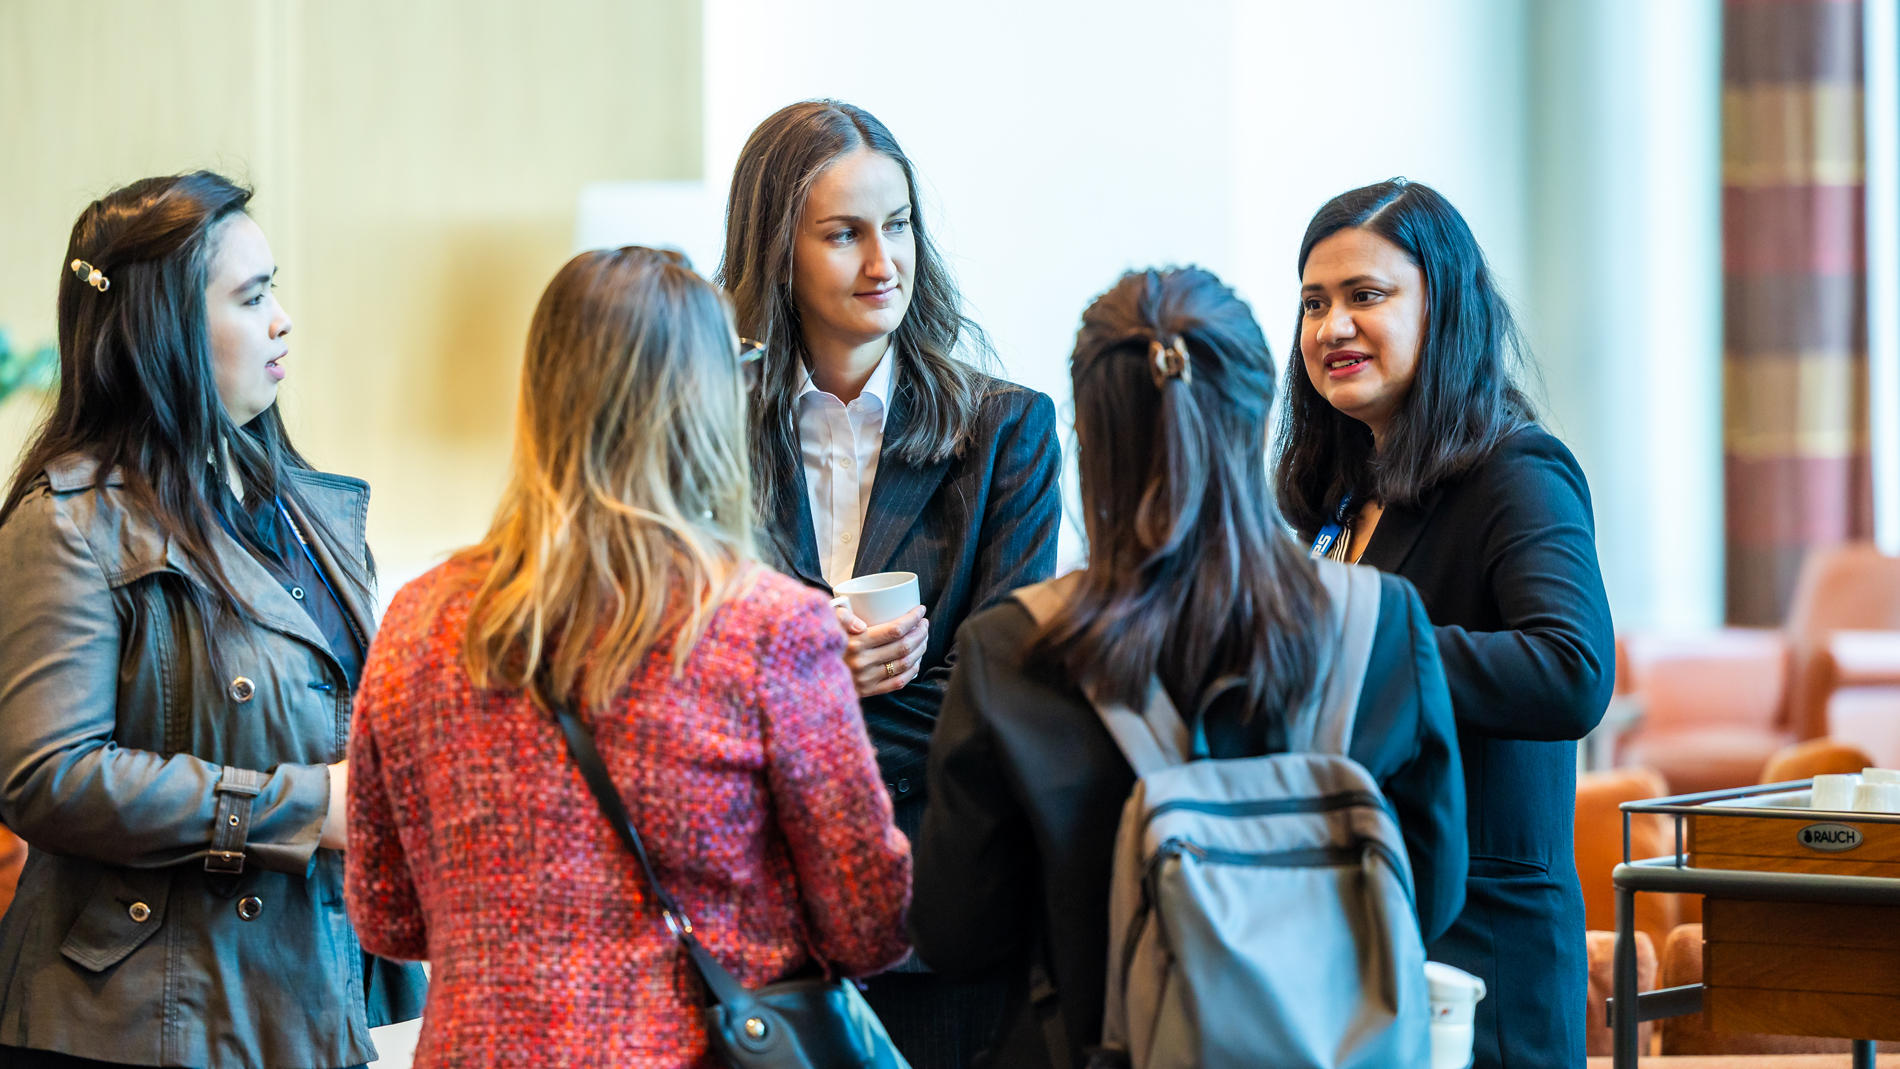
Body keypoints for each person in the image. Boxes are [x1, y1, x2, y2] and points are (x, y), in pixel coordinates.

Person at [344, 246, 912, 1066]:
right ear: (709, 404)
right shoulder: (767, 628)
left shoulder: (418, 620)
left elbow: (387, 914)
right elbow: (869, 924)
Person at [909, 267, 1468, 1067]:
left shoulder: (1014, 649)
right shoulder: (1379, 624)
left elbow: (958, 933)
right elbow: (1432, 893)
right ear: (1259, 412)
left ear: (1089, 437)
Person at [0, 172, 426, 1068]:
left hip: (317, 987)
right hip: (140, 1019)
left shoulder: (308, 510)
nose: (283, 320)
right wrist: (305, 806)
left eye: (275, 290)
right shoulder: (67, 520)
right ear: (167, 329)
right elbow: (50, 776)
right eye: (253, 296)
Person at [719, 99, 1062, 1065]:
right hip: (748, 916)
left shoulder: (1008, 432)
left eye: (900, 225)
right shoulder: (704, 429)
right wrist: (827, 668)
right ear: (777, 249)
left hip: (935, 916)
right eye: (844, 234)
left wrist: (785, 701)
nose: (884, 263)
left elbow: (998, 698)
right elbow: (671, 678)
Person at [1276, 179, 1616, 1069]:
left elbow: (1572, 668)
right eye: (1314, 303)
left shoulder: (1518, 470)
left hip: (1485, 946)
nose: (1331, 328)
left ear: (1443, 305)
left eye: (1365, 296)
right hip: (1362, 931)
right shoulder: (1346, 492)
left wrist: (1364, 640)